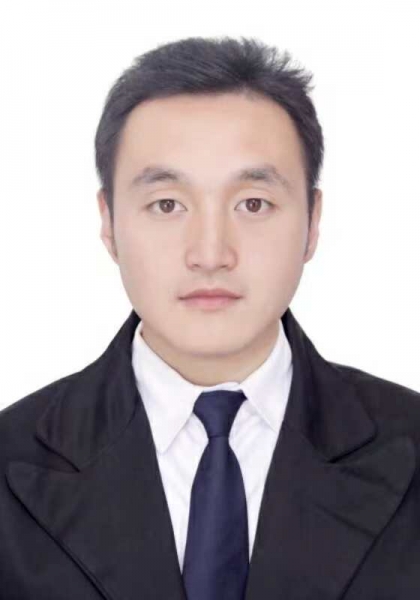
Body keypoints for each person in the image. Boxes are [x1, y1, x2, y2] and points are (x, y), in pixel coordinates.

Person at [1, 35, 420, 600]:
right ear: (109, 222)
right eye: (167, 205)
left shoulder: (408, 440)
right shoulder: (11, 458)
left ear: (312, 222)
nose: (210, 253)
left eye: (253, 204)